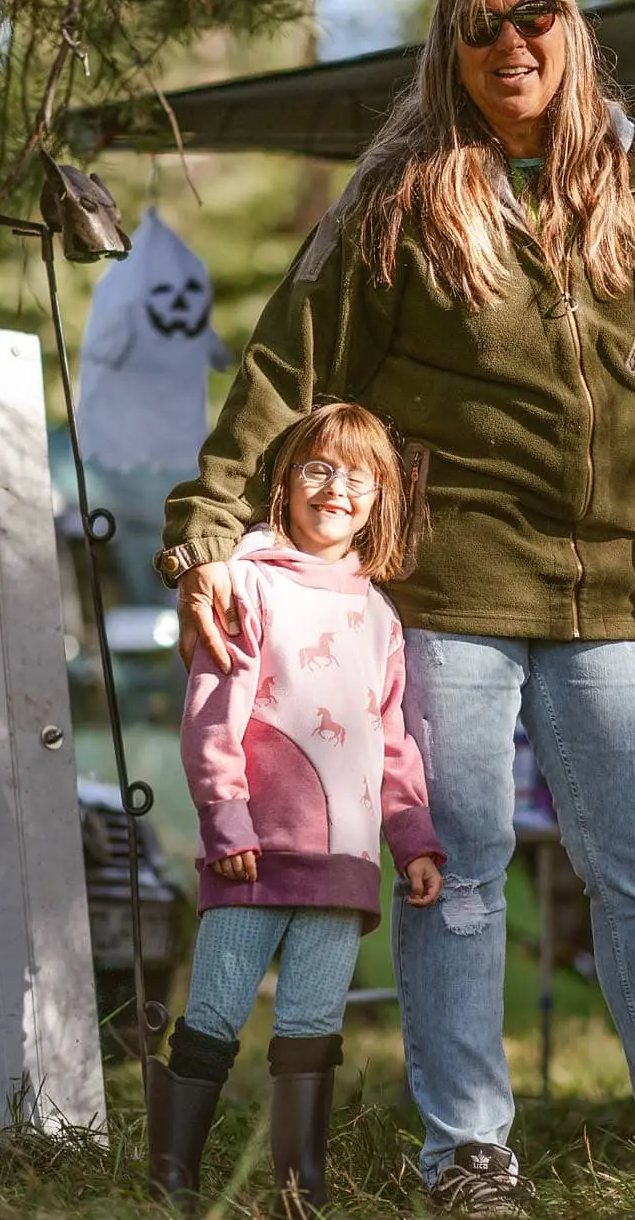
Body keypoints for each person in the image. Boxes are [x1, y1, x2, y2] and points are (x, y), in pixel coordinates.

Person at [155, 0, 635, 1212]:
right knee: (458, 870)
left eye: (534, 19)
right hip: (446, 589)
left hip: (617, 598)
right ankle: (467, 1155)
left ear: (571, 31)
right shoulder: (399, 190)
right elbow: (290, 364)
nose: (512, 47)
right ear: (450, 52)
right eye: (482, 29)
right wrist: (212, 526)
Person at [145, 402, 446, 1215]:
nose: (335, 487)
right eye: (318, 467)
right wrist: (226, 823)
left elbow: (392, 743)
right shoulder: (245, 580)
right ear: (284, 479)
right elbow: (212, 715)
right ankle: (172, 1174)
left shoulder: (380, 615)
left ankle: (297, 1186)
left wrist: (412, 836)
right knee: (215, 1010)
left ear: (381, 497)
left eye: (358, 474)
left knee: (311, 1025)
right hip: (253, 853)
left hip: (344, 865)